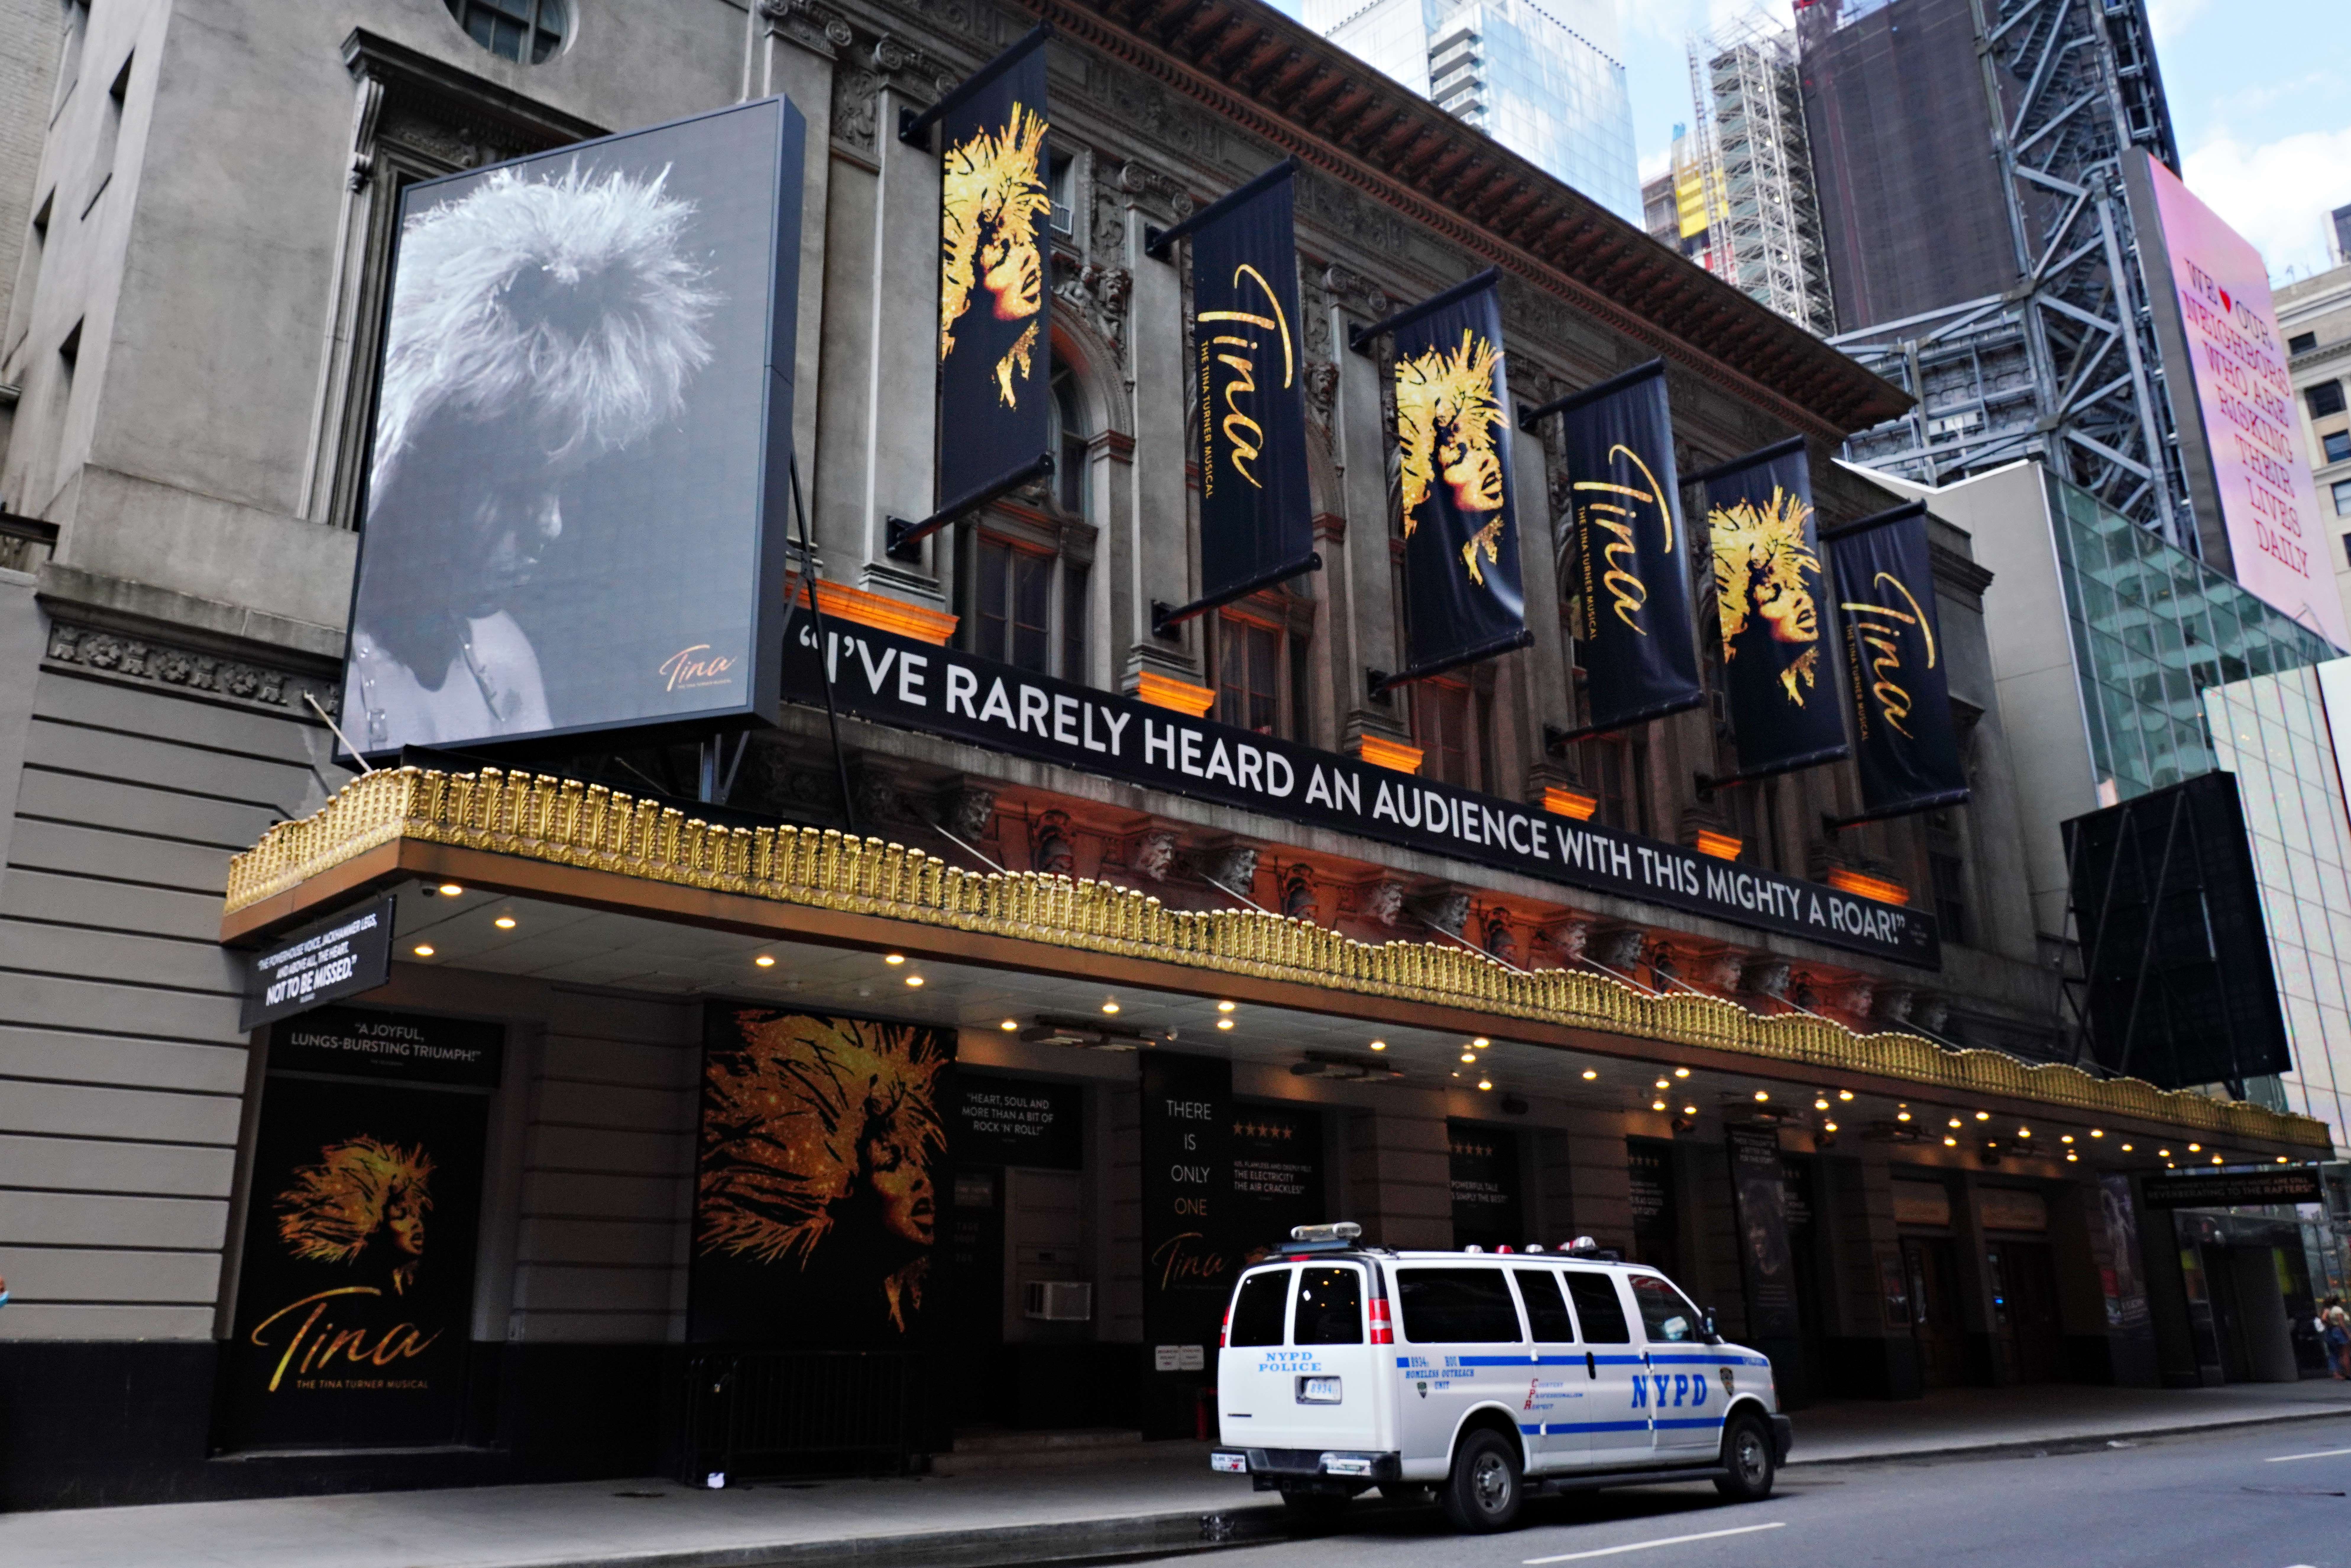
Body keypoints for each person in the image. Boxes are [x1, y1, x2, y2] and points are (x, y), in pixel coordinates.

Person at [345, 162, 717, 750]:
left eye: (560, 488)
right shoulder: (328, 644)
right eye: (518, 489)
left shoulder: (502, 660)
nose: (551, 526)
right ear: (420, 468)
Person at [2324, 1294, 2350, 1379]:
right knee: (2345, 1353)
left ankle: (2339, 1373)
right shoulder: (2338, 1310)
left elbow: (2324, 1319)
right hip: (2340, 1332)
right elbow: (2342, 1323)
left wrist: (2330, 1325)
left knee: (2336, 1353)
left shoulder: (2329, 1310)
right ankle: (2348, 1373)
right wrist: (2348, 1334)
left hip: (2333, 1332)